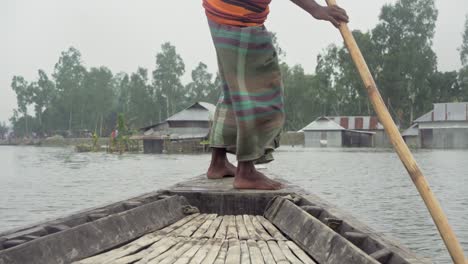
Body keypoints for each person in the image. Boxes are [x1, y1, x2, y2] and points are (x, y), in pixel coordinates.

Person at [204, 0, 348, 190]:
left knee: (235, 89)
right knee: (259, 93)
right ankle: (246, 172)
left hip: (219, 11)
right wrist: (316, 9)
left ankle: (218, 163)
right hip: (239, 16)